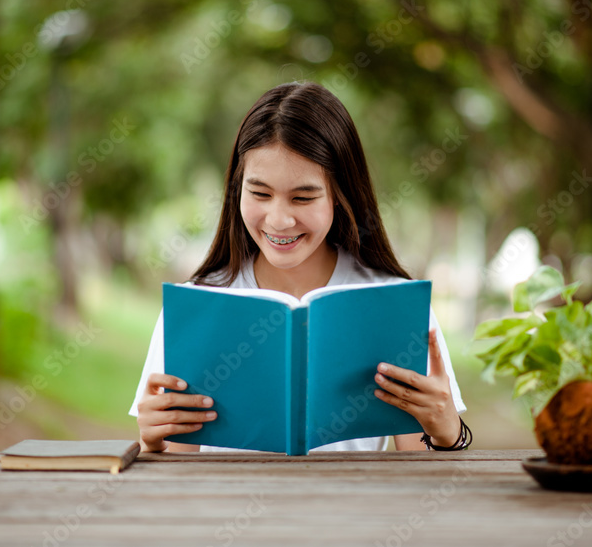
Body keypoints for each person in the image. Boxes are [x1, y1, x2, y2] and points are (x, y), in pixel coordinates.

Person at [130, 82, 468, 453]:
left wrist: (447, 431)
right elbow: (178, 484)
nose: (279, 220)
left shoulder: (395, 305)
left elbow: (421, 480)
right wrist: (153, 443)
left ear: (341, 196)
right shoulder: (195, 306)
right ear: (237, 189)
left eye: (303, 197)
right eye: (259, 194)